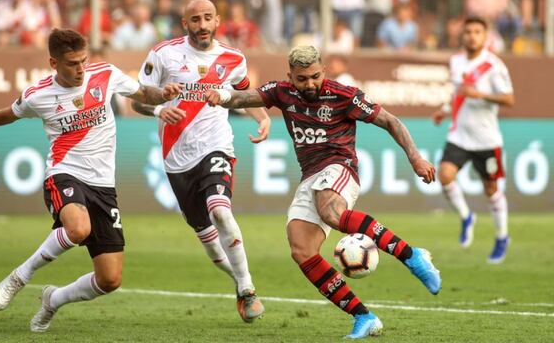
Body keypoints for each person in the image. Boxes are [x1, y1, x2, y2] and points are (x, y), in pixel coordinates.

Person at [204, 45, 442, 339]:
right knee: (301, 249)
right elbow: (245, 97)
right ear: (290, 76)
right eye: (302, 79)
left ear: (323, 71)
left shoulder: (344, 95)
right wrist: (223, 96)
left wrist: (416, 158)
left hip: (340, 167)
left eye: (315, 76)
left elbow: (391, 121)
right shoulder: (282, 92)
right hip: (310, 176)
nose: (310, 84)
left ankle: (412, 256)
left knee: (331, 212)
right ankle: (364, 317)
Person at [0, 28, 181, 332]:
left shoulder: (105, 74)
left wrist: (163, 94)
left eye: (83, 61)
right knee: (77, 228)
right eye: (72, 63)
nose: (80, 69)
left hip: (103, 184)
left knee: (110, 279)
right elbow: (9, 114)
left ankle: (53, 300)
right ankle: (20, 276)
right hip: (64, 172)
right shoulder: (40, 95)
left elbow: (142, 93)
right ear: (53, 63)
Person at [131, 0, 269, 323]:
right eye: (195, 19)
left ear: (217, 21)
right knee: (208, 241)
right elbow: (136, 98)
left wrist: (262, 118)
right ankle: (238, 280)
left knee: (220, 210)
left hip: (216, 146)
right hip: (176, 159)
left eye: (208, 18)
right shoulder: (163, 54)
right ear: (184, 23)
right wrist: (159, 108)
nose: (202, 25)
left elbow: (243, 94)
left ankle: (248, 288)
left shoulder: (233, 58)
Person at [431, 17, 515, 264]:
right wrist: (444, 108)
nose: (471, 36)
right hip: (459, 135)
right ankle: (467, 216)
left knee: (491, 190)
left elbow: (509, 99)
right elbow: (457, 92)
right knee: (444, 175)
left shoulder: (493, 66)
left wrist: (479, 93)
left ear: (485, 36)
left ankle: (502, 237)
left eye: (477, 32)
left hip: (486, 139)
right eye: (467, 32)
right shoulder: (456, 61)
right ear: (462, 36)